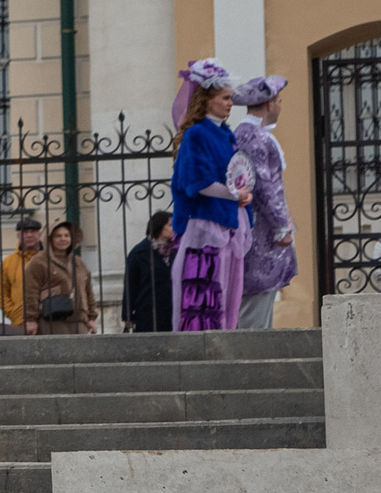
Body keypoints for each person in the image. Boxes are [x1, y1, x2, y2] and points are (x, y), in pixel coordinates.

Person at [168, 58, 254, 333]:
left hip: (228, 222)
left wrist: (241, 195)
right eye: (225, 98)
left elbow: (233, 176)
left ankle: (225, 341)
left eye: (230, 98)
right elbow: (197, 182)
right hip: (206, 227)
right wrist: (233, 194)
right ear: (206, 100)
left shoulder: (226, 134)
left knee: (229, 293)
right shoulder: (197, 134)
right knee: (205, 294)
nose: (230, 103)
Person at [231, 76, 297, 329]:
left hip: (257, 231)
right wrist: (282, 226)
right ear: (269, 103)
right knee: (255, 307)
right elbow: (265, 186)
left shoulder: (246, 134)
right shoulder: (256, 138)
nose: (280, 106)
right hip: (260, 235)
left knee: (259, 303)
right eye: (279, 101)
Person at [20, 220, 95, 335]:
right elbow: (30, 292)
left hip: (79, 321)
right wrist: (30, 319)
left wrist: (91, 317)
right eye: (58, 236)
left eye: (67, 235)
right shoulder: (38, 262)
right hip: (52, 321)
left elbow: (88, 291)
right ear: (49, 238)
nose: (63, 239)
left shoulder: (79, 263)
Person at [122, 211, 176, 333]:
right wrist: (128, 315)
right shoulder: (139, 252)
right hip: (149, 311)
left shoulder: (176, 250)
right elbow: (130, 284)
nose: (174, 228)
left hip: (173, 309)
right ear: (159, 226)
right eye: (170, 225)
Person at [0, 217, 43, 329]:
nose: (29, 235)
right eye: (25, 232)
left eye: (33, 231)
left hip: (50, 321)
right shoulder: (8, 263)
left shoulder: (49, 259)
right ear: (18, 236)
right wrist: (14, 313)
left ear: (39, 234)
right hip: (21, 323)